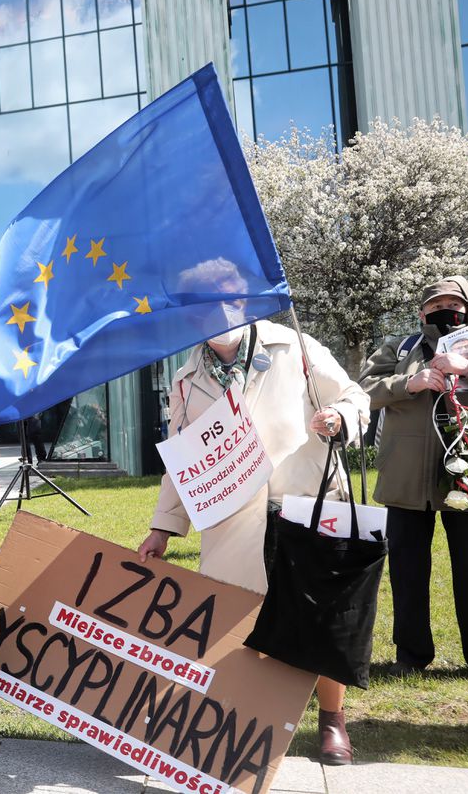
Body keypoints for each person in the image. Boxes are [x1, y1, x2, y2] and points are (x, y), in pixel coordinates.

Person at [136, 258, 370, 766]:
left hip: (305, 505)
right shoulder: (184, 379)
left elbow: (355, 395)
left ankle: (331, 719)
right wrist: (163, 526)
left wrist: (341, 416)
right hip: (231, 521)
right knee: (235, 619)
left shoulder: (298, 348)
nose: (220, 312)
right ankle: (245, 720)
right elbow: (182, 460)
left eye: (229, 299)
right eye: (205, 304)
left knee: (320, 616)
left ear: (245, 300)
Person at [359, 275, 468, 689]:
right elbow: (361, 390)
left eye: (455, 303)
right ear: (422, 311)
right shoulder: (397, 350)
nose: (446, 310)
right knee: (407, 571)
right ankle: (411, 655)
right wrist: (408, 383)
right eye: (437, 304)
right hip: (406, 481)